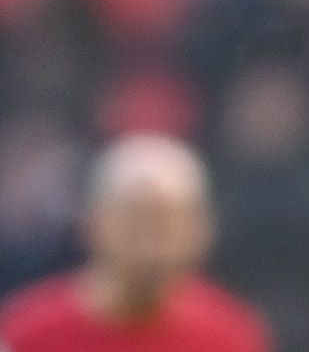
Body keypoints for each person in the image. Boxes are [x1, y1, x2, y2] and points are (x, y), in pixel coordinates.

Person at [0, 134, 273, 352]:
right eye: (134, 220)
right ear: (92, 223)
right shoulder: (27, 334)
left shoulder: (230, 336)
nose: (149, 241)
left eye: (165, 223)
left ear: (200, 230)